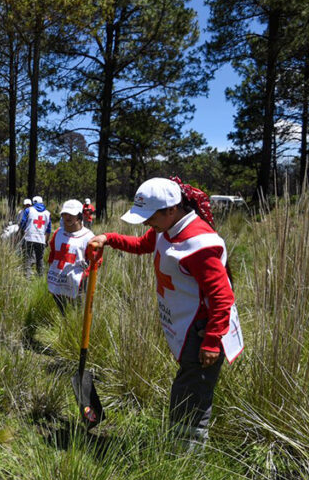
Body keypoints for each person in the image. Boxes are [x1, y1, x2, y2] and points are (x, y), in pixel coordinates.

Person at [87, 177, 243, 447]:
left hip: (203, 331)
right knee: (185, 392)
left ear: (171, 209)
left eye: (150, 217)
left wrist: (212, 341)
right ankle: (179, 451)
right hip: (187, 326)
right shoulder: (166, 229)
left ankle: (185, 465)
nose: (147, 224)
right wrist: (108, 239)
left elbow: (222, 297)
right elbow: (143, 245)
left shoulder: (199, 244)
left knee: (190, 402)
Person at [46, 199, 95, 313]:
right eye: (64, 214)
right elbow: (53, 253)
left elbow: (96, 261)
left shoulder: (88, 237)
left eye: (71, 214)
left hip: (77, 282)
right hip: (57, 278)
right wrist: (50, 268)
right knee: (60, 308)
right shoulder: (58, 233)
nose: (67, 217)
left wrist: (85, 274)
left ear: (79, 216)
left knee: (76, 309)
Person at [19, 195, 51, 276]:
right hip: (41, 239)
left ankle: (27, 278)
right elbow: (48, 229)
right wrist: (46, 240)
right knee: (40, 260)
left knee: (28, 259)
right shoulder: (47, 213)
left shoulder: (28, 210)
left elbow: (23, 223)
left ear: (33, 202)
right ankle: (40, 277)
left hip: (29, 237)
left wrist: (21, 232)